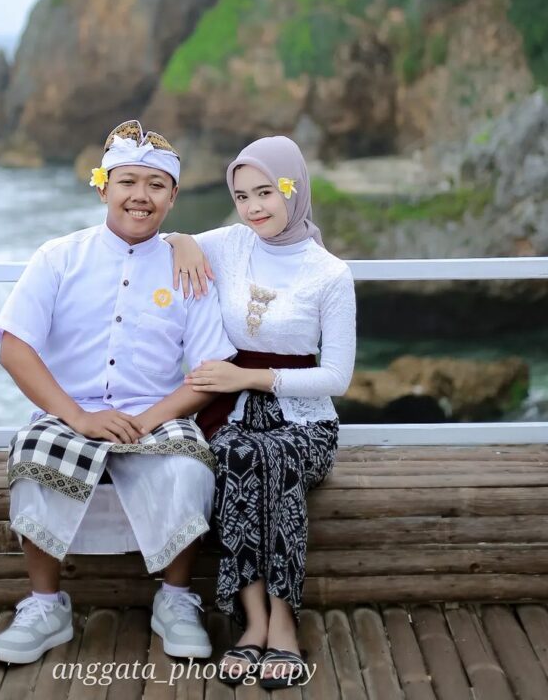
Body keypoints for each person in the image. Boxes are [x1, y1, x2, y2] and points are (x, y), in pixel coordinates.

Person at [0, 119, 236, 665]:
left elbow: (210, 369)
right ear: (103, 187)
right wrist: (77, 417)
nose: (140, 196)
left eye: (155, 185)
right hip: (69, 413)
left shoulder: (187, 268)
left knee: (189, 465)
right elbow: (15, 349)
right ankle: (45, 606)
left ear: (173, 197)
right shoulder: (58, 257)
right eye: (127, 181)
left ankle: (175, 600)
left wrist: (148, 421)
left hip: (156, 414)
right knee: (34, 455)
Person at [168, 136, 356, 689]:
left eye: (266, 192)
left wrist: (251, 377)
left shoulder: (330, 273)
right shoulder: (231, 243)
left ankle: (283, 620)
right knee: (235, 455)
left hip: (305, 421)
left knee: (274, 458)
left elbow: (337, 377)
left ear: (292, 190)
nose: (253, 207)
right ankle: (252, 620)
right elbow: (162, 243)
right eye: (242, 195)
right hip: (231, 415)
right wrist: (181, 239)